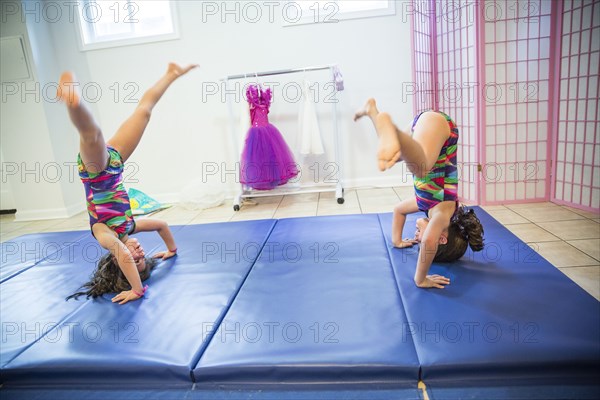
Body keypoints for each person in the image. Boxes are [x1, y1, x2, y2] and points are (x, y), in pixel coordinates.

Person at [60, 63, 198, 304]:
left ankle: (73, 100)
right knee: (144, 112)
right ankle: (171, 73)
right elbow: (162, 225)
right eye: (143, 257)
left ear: (115, 260)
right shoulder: (129, 226)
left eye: (135, 260)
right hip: (114, 163)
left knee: (91, 134)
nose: (138, 253)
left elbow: (122, 251)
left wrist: (137, 290)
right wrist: (172, 250)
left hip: (95, 170)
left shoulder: (103, 234)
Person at [354, 99, 484, 289]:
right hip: (441, 127)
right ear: (442, 237)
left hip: (424, 129)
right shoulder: (442, 213)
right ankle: (393, 131)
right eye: (420, 241)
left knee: (394, 155)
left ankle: (373, 111)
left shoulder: (425, 204)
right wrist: (421, 278)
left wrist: (397, 241)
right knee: (422, 168)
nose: (417, 239)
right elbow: (429, 241)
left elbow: (398, 210)